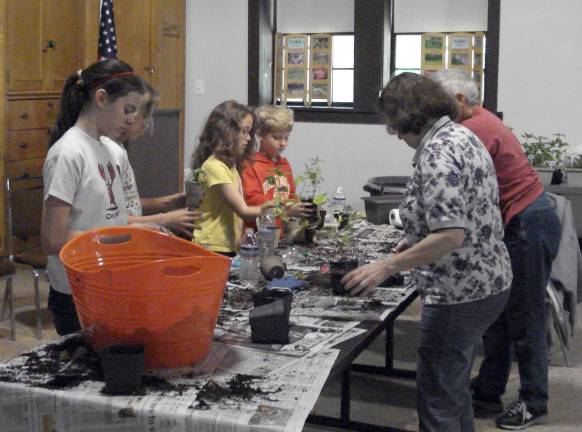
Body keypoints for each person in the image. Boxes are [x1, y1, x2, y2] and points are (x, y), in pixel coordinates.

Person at [342, 73, 513, 432]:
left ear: (406, 117)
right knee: (452, 390)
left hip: (460, 290)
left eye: (394, 125)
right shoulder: (463, 134)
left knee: (437, 397)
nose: (396, 135)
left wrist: (386, 266)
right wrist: (416, 238)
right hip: (489, 282)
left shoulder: (437, 151)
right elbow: (465, 212)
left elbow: (450, 234)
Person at [433, 68, 561, 429]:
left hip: (527, 225)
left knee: (526, 318)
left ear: (459, 101)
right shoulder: (482, 120)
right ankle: (489, 389)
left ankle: (534, 402)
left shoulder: (473, 130)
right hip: (520, 222)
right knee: (500, 316)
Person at [42, 59, 146, 335]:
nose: (132, 119)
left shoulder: (111, 150)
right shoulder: (68, 153)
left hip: (111, 282)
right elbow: (53, 239)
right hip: (76, 293)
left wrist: (149, 230)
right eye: (127, 109)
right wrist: (119, 237)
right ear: (101, 98)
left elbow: (116, 216)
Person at [103, 82, 201, 239]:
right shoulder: (109, 152)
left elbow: (126, 203)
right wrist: (164, 220)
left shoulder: (119, 148)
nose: (147, 123)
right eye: (145, 115)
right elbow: (111, 215)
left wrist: (165, 203)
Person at [190, 100, 271, 256]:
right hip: (211, 246)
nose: (248, 139)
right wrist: (278, 209)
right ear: (226, 132)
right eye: (244, 132)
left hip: (226, 246)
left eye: (250, 133)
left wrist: (238, 239)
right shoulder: (214, 167)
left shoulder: (229, 165)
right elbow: (243, 210)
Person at [241, 105, 313, 235]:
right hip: (257, 234)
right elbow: (252, 200)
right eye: (277, 137)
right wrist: (285, 210)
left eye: (286, 138)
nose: (283, 143)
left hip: (279, 234)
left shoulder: (284, 165)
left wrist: (300, 207)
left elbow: (291, 195)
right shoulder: (250, 164)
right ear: (260, 135)